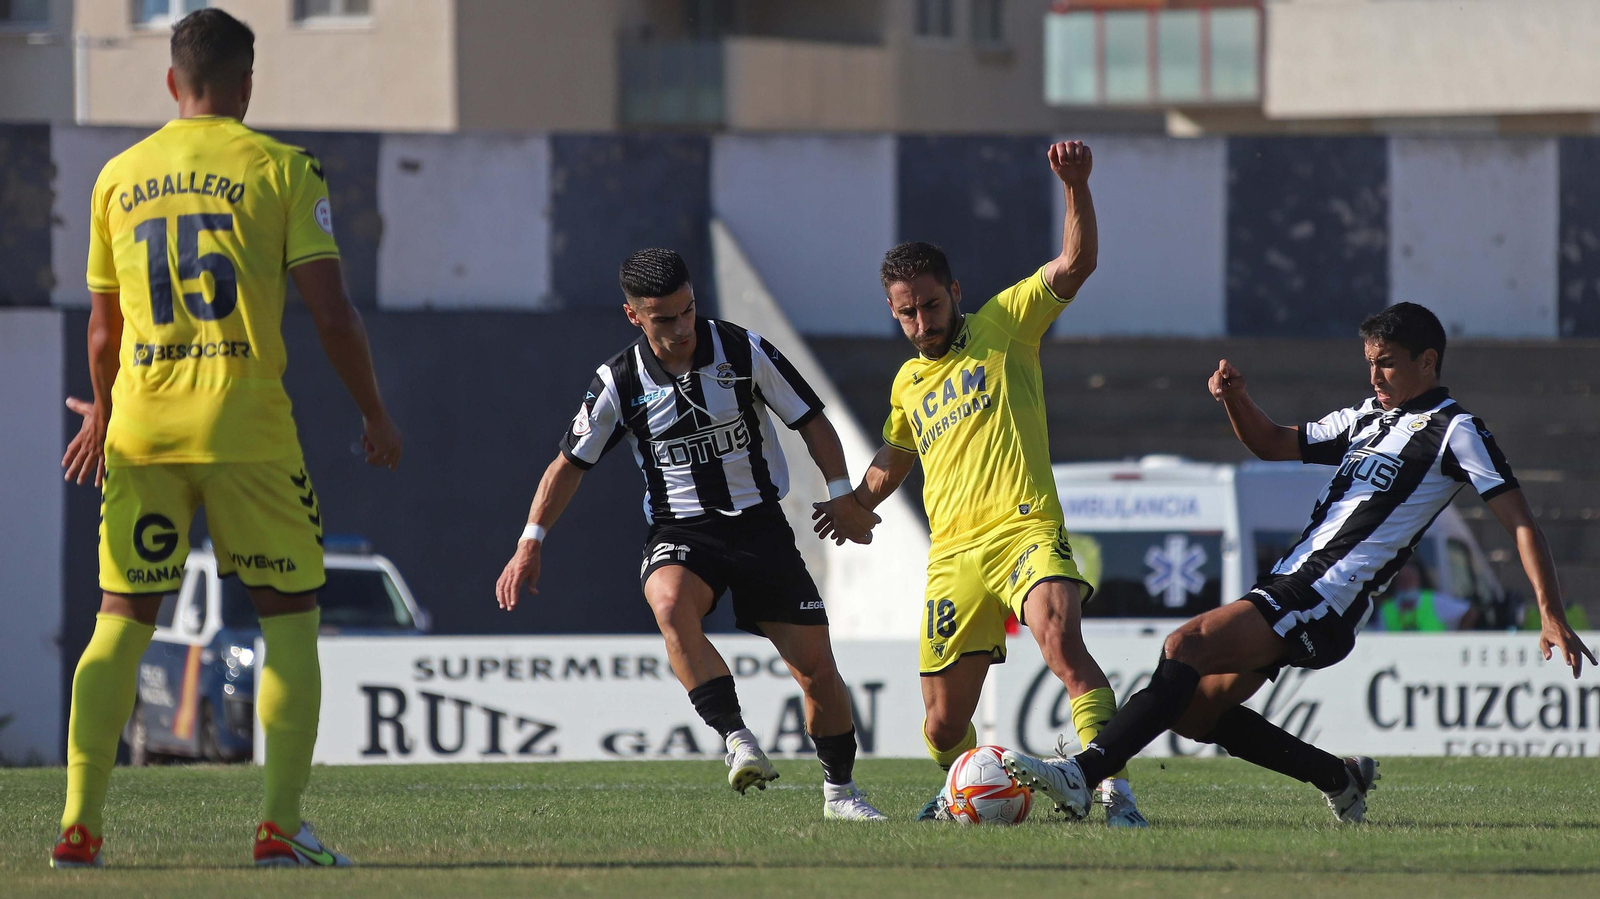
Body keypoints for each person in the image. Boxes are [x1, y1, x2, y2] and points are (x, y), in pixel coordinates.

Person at [1000, 302, 1596, 824]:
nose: (1375, 374)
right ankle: (1339, 778)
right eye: (1369, 361)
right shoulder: (1368, 418)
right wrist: (1236, 399)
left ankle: (1083, 773)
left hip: (1325, 596)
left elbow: (1519, 521)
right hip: (1295, 584)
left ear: (1428, 362)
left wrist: (1549, 613)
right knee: (1196, 711)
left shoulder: (1456, 430)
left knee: (1186, 646)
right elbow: (1274, 443)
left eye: (1386, 361)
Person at [52, 8, 401, 868]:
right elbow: (333, 314)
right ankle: (280, 826)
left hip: (142, 429)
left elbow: (104, 333)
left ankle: (78, 825)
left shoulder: (116, 176)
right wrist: (374, 412)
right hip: (246, 428)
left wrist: (101, 409)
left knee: (121, 621)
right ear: (248, 83)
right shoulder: (282, 168)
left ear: (173, 81)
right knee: (288, 620)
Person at [812, 141, 1146, 827]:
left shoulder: (1005, 323)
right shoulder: (908, 382)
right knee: (940, 725)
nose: (920, 323)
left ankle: (1112, 791)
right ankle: (965, 786)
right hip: (953, 555)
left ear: (954, 293)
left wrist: (1075, 187)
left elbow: (1076, 263)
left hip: (1023, 529)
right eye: (905, 313)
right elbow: (896, 457)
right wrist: (857, 500)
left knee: (1061, 643)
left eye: (930, 306)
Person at [495, 248, 887, 821]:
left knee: (816, 670)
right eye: (663, 319)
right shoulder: (617, 381)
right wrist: (530, 541)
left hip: (760, 528)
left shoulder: (743, 349)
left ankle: (841, 795)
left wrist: (841, 492)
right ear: (634, 317)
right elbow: (568, 465)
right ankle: (737, 739)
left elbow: (810, 419)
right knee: (669, 601)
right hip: (682, 530)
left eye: (687, 312)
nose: (681, 329)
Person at [1371, 559, 1476, 632]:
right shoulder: (1386, 609)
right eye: (1402, 580)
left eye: (1410, 579)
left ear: (1418, 580)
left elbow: (1470, 612)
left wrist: (1458, 637)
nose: (1406, 583)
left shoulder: (1434, 601)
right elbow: (1380, 637)